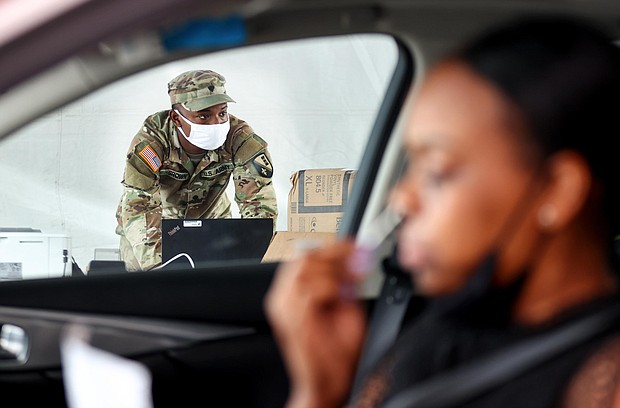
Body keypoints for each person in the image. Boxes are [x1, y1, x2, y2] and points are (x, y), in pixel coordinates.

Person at [265, 17, 620, 408]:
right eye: (410, 166)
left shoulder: (604, 383)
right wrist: (319, 391)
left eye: (436, 172)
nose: (403, 199)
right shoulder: (437, 335)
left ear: (558, 190)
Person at [116, 69, 277, 271]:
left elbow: (258, 204)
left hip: (213, 224)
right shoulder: (151, 142)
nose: (216, 122)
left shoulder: (240, 139)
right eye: (203, 116)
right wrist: (156, 266)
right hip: (155, 228)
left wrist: (258, 262)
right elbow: (139, 204)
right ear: (176, 118)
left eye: (222, 113)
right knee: (144, 290)